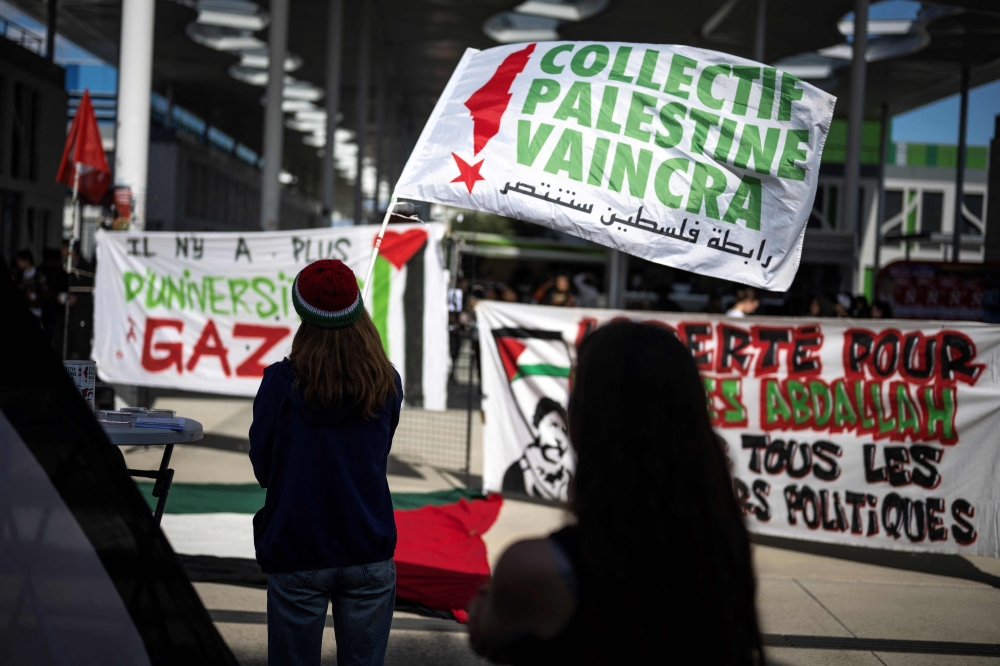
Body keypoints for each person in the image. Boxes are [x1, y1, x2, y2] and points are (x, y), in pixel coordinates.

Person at [468, 322, 764, 664]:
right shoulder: (726, 545)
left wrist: (481, 611)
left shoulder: (534, 567)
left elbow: (489, 632)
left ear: (580, 426)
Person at [249, 259, 402, 666]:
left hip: (298, 546)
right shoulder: (387, 381)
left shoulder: (279, 384)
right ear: (358, 311)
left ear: (303, 314)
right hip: (368, 547)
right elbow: (377, 455)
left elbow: (264, 468)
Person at [501, 398, 573, 501]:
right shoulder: (516, 473)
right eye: (553, 425)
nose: (559, 437)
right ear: (537, 426)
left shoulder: (568, 478)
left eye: (563, 430)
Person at [12, 249, 49, 323]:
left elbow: (46, 293)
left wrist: (35, 296)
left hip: (36, 312)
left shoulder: (38, 275)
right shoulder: (19, 276)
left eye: (20, 260)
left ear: (26, 260)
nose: (18, 263)